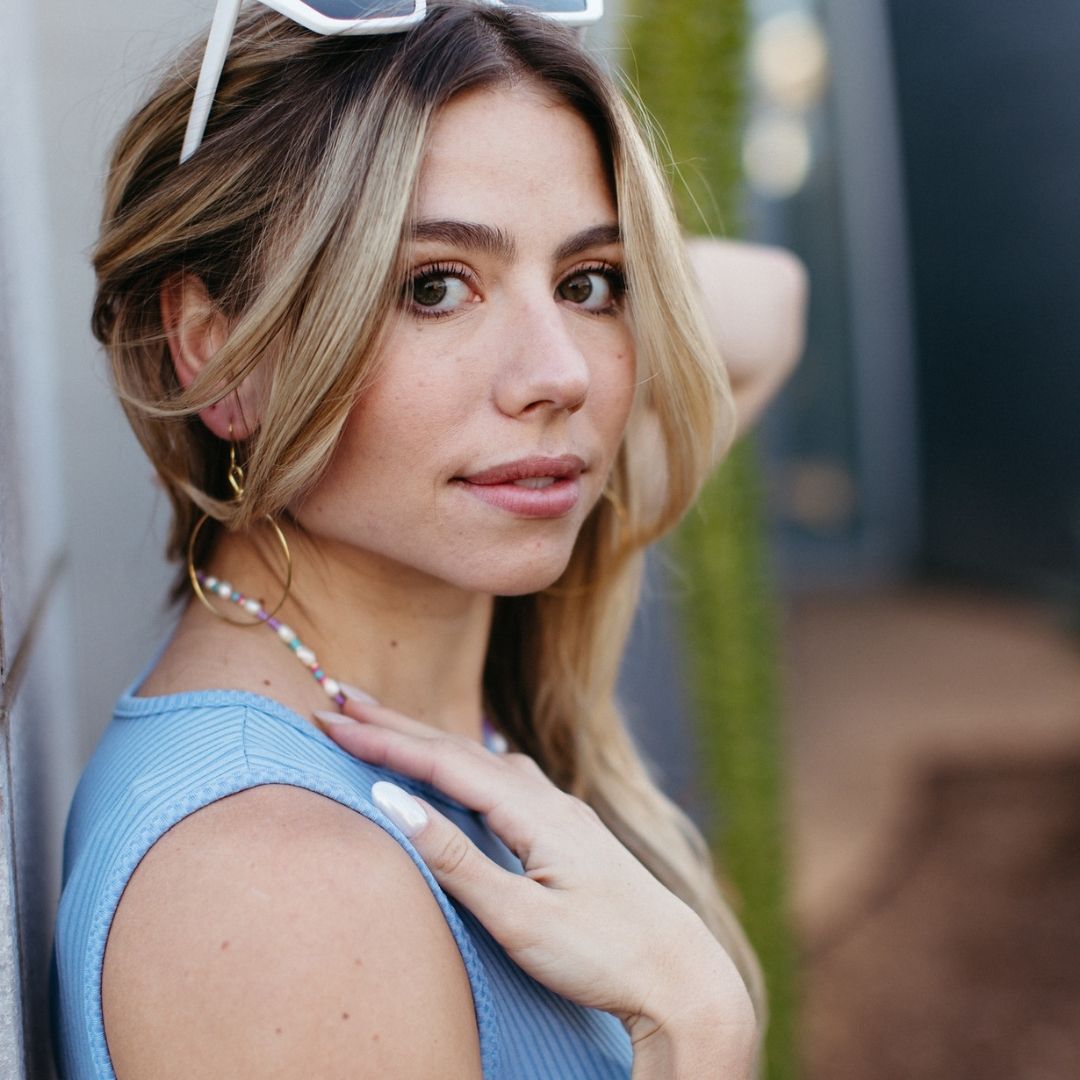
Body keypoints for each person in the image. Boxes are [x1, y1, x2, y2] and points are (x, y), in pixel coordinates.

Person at [53, 2, 805, 1077]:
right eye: (434, 286)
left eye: (591, 284)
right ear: (219, 351)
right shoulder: (285, 890)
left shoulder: (450, 638)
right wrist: (700, 1029)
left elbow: (778, 302)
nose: (560, 375)